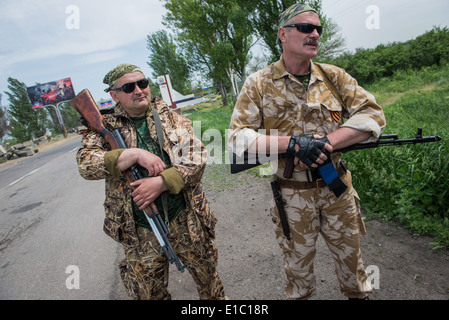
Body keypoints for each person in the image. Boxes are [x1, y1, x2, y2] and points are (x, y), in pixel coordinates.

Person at [228, 4, 386, 300]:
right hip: (291, 195)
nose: (314, 34)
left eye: (318, 29)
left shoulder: (334, 76)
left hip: (337, 190)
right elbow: (237, 138)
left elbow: (372, 116)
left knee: (355, 270)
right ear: (283, 34)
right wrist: (293, 145)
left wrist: (326, 142)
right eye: (305, 28)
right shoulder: (258, 84)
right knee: (298, 276)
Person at [76, 63, 226, 300]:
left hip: (186, 220)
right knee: (150, 295)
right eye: (128, 87)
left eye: (142, 83)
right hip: (140, 229)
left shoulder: (173, 119)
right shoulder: (104, 128)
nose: (138, 90)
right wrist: (133, 154)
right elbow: (86, 164)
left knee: (211, 288)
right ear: (114, 95)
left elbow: (197, 158)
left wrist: (162, 182)